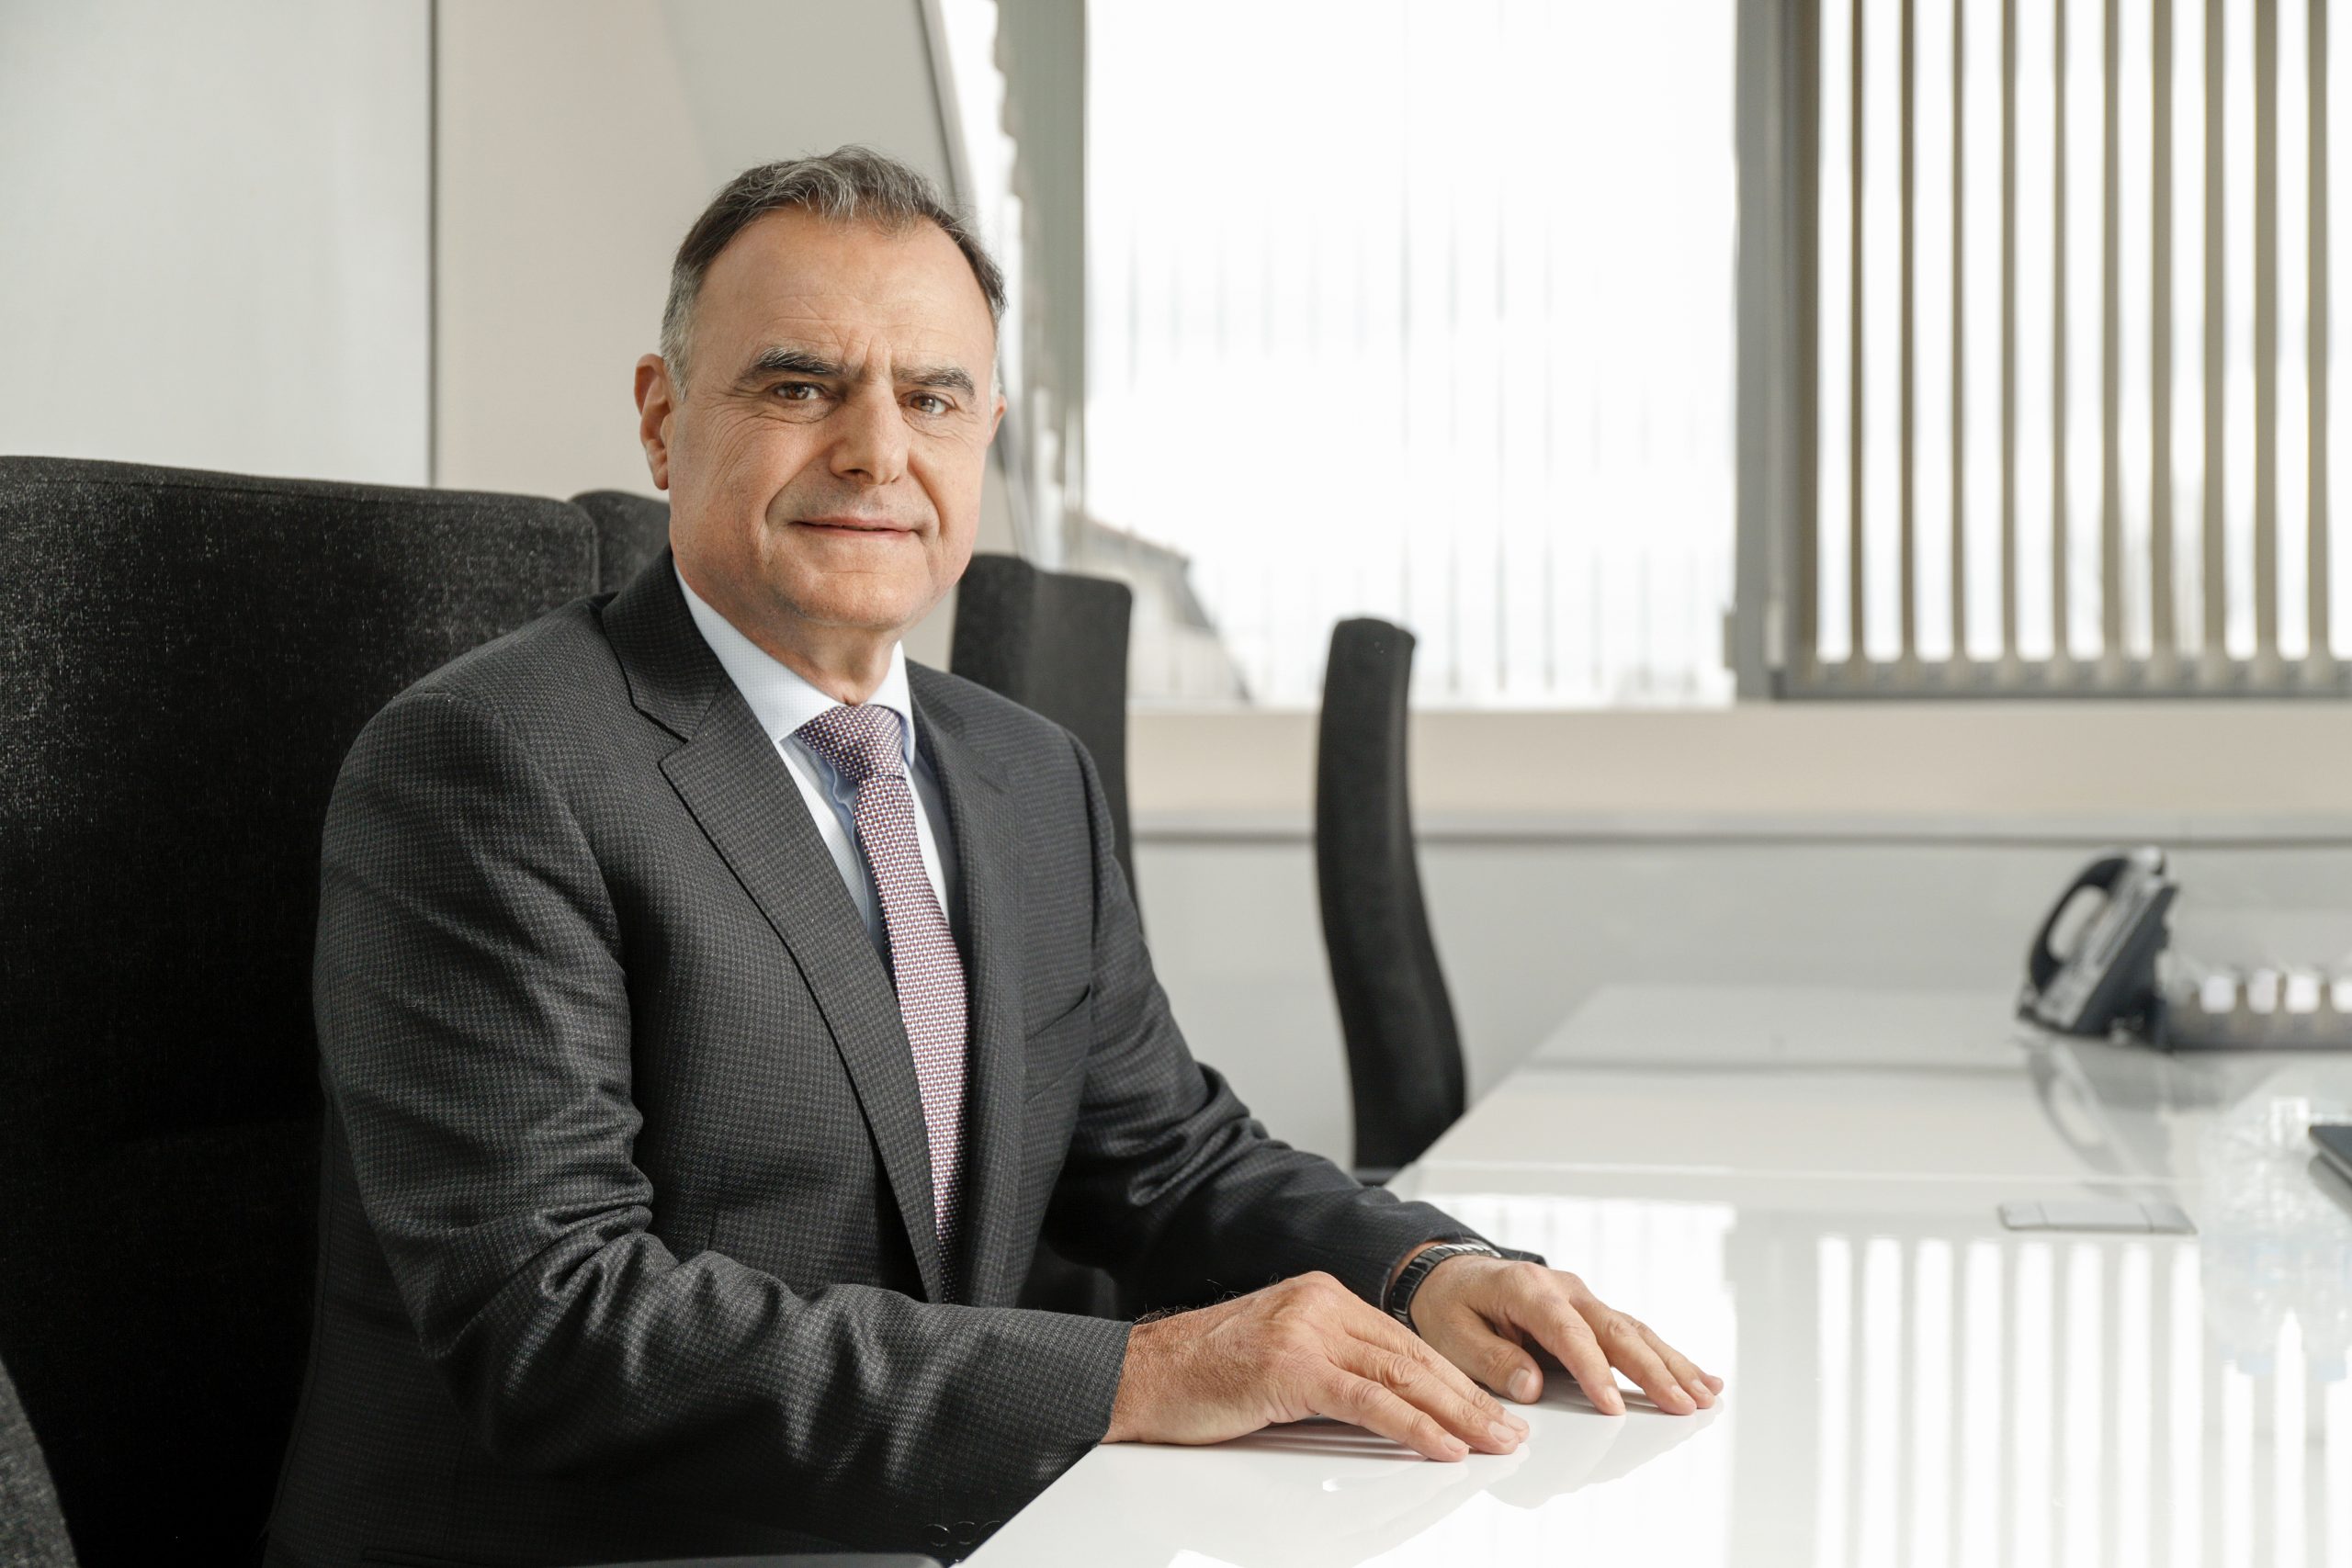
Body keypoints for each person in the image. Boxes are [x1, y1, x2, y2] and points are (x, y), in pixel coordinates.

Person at [265, 146, 1718, 1568]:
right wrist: (1133, 1375)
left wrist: (1425, 1271)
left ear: (985, 435)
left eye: (933, 397)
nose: (876, 450)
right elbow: (554, 1321)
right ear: (661, 420)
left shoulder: (1024, 772)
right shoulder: (488, 766)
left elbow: (1162, 1158)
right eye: (798, 386)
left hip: (961, 1528)